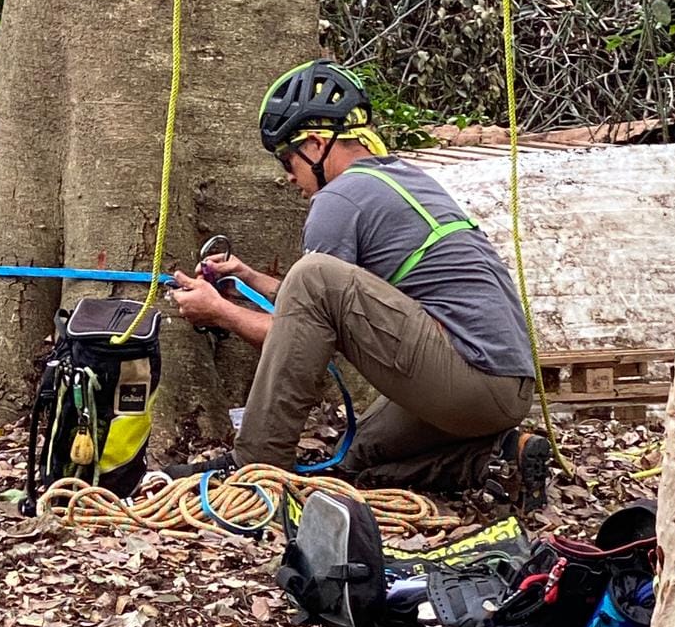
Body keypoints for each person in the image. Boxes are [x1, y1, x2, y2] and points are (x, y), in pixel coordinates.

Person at [166, 59, 549, 506]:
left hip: (471, 380)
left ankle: (255, 468)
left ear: (316, 144)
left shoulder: (338, 199)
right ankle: (499, 461)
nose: (288, 176)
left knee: (312, 275)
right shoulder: (399, 178)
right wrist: (251, 280)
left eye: (288, 159)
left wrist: (220, 312)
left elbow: (302, 332)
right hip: (509, 387)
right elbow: (322, 312)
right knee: (357, 456)